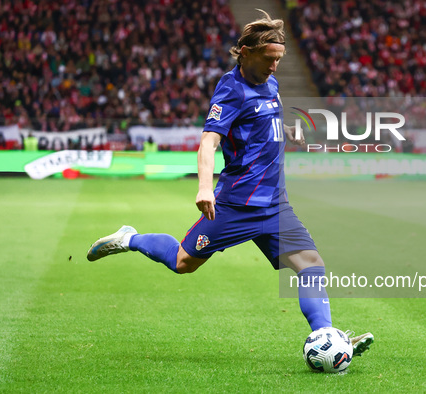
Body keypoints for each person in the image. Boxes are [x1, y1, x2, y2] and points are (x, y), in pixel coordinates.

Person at [87, 10, 373, 358]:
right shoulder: (231, 88)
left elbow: (263, 122)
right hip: (237, 204)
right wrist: (204, 187)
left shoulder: (271, 83)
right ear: (246, 52)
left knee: (311, 264)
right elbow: (208, 141)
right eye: (269, 59)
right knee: (182, 262)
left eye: (279, 60)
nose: (274, 67)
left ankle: (328, 338)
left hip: (275, 204)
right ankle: (129, 238)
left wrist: (286, 132)